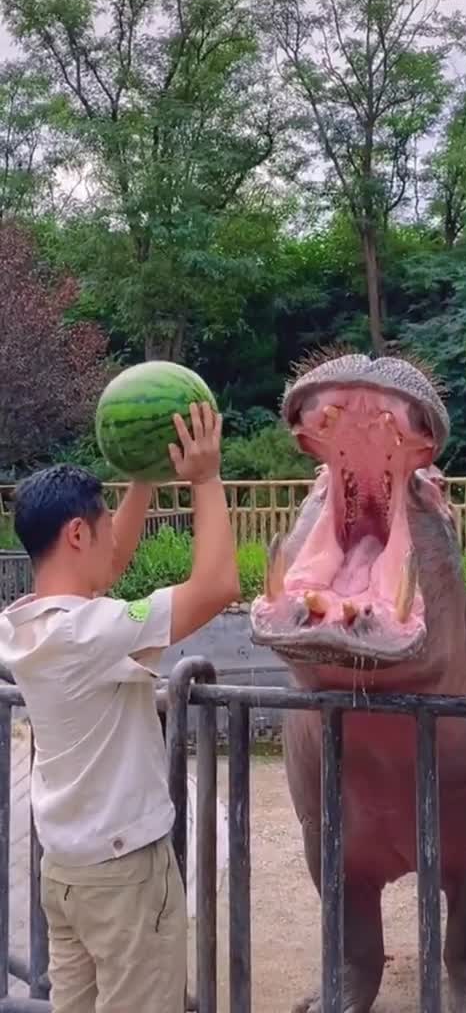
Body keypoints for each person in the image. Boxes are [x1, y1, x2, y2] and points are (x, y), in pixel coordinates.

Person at [0, 402, 240, 1013]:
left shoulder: (22, 624)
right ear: (78, 533)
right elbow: (216, 588)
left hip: (67, 871)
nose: (116, 537)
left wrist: (142, 478)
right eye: (105, 525)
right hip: (125, 875)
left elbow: (101, 574)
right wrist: (205, 480)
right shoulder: (94, 632)